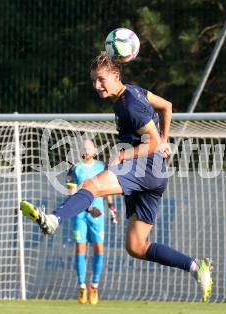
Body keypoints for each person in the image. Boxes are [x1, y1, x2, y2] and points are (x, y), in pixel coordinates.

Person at [20, 51, 213, 302]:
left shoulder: (130, 105)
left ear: (115, 75)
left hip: (143, 166)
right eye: (93, 80)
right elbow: (167, 106)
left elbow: (153, 142)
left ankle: (55, 219)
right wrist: (165, 140)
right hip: (154, 172)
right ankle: (197, 268)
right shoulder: (134, 92)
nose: (96, 85)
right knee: (136, 246)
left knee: (91, 185)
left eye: (101, 79)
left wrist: (126, 155)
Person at [66, 139, 117, 305]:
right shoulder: (75, 169)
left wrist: (111, 208)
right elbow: (71, 195)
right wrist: (88, 209)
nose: (86, 150)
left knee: (98, 248)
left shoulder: (102, 167)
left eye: (89, 147)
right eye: (84, 147)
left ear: (95, 150)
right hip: (81, 214)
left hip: (98, 215)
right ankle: (81, 286)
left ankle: (94, 286)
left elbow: (107, 189)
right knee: (81, 248)